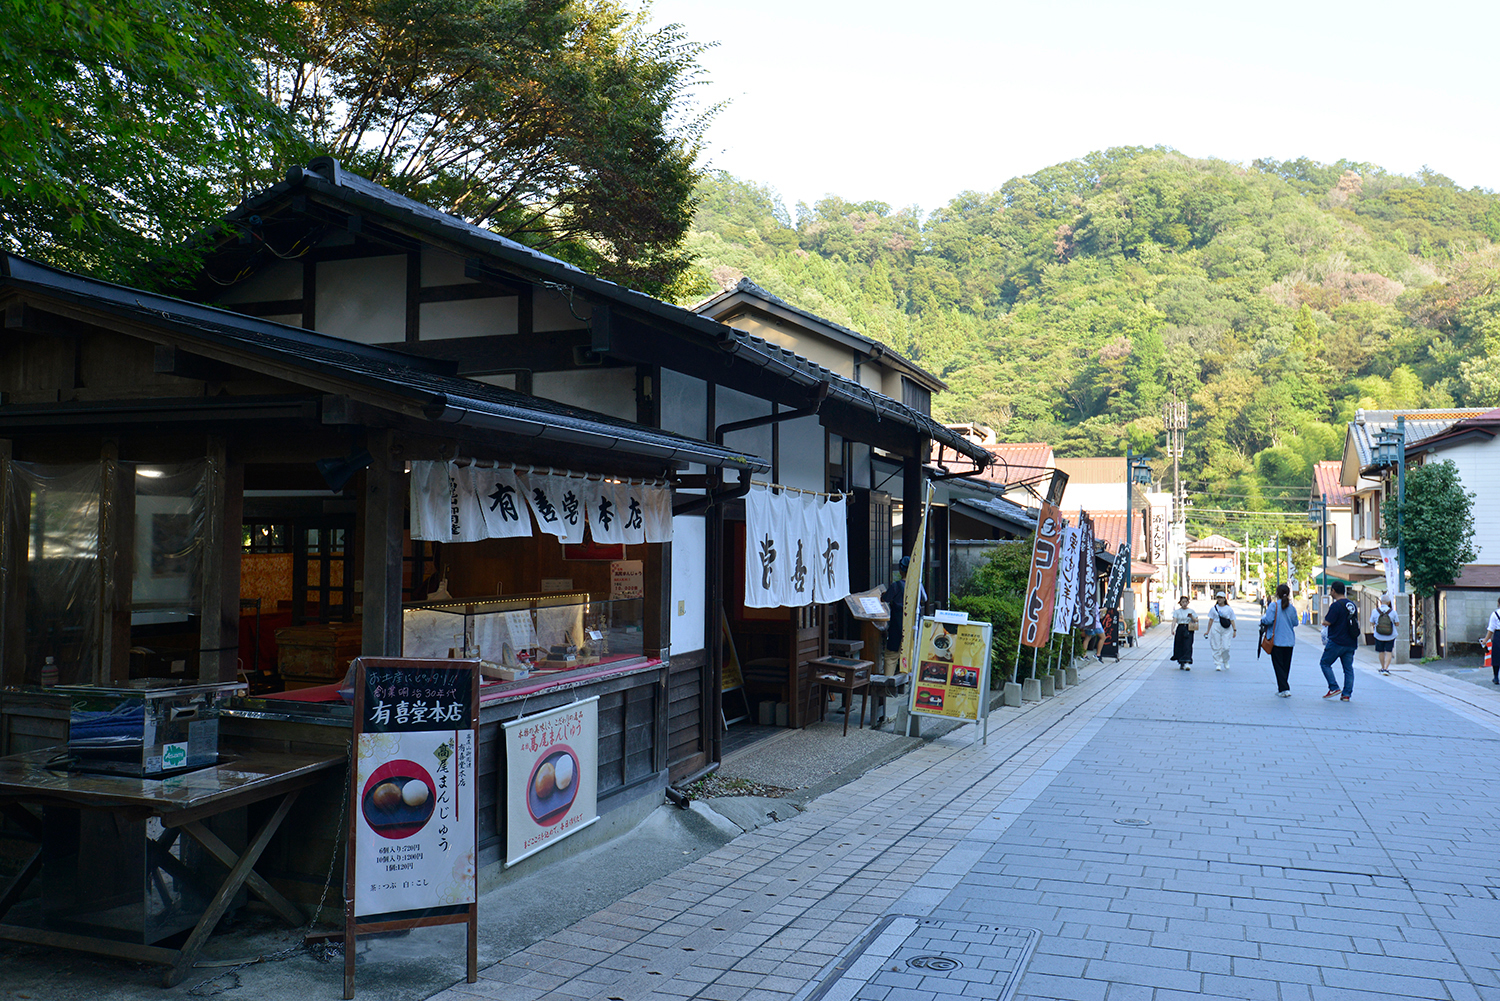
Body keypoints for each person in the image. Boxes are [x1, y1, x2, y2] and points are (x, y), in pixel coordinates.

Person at [1318, 580, 1361, 701]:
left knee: (1325, 663)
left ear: (1334, 591)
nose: (1330, 593)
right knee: (1348, 669)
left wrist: (1323, 622)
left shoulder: (1336, 605)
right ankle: (1346, 694)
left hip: (1337, 641)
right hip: (1351, 642)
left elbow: (1328, 622)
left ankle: (1334, 687)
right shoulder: (1352, 605)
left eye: (1331, 590)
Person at [1261, 583, 1300, 696]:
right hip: (1289, 641)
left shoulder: (1274, 606)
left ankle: (1284, 688)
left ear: (1276, 593)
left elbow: (1268, 620)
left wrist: (1263, 620)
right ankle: (1283, 688)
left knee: (1278, 665)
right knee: (1286, 665)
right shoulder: (1292, 608)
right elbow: (1295, 623)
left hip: (1276, 640)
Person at [1205, 591, 1237, 671]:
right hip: (1216, 626)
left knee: (1226, 647)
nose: (1219, 599)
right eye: (1218, 597)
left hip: (1226, 627)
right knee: (1216, 645)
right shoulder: (1213, 609)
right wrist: (1207, 631)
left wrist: (1234, 630)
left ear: (1224, 599)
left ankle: (1225, 660)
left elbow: (1232, 620)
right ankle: (1218, 663)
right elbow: (1210, 620)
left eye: (1221, 598)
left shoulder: (1229, 609)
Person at [1369, 595, 1398, 676]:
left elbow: (1371, 622)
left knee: (1381, 651)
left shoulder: (1375, 611)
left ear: (1381, 602)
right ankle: (1386, 668)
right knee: (1388, 652)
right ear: (1389, 602)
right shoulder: (1393, 612)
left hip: (1379, 635)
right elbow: (1397, 623)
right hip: (1390, 635)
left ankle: (1382, 667)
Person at [1171, 596, 1198, 670]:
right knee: (1180, 645)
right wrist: (1172, 629)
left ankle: (1187, 662)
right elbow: (1174, 620)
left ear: (1188, 602)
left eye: (1186, 602)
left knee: (1188, 645)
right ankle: (1181, 661)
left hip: (1189, 628)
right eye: (1183, 602)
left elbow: (1196, 620)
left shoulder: (1191, 611)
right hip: (1180, 628)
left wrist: (1191, 616)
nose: (1184, 604)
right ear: (1180, 603)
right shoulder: (1177, 611)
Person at [1486, 596, 1500, 685]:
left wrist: (1485, 640)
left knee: (1496, 656)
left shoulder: (1495, 613)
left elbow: (1491, 629)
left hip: (1498, 635)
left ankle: (1495, 677)